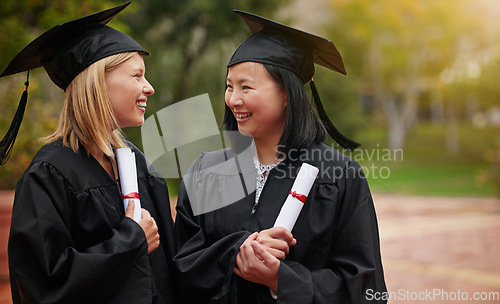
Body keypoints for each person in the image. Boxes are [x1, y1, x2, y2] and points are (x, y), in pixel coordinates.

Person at [173, 10, 387, 304]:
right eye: (229, 86)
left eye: (246, 87)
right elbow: (179, 264)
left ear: (286, 92)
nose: (233, 99)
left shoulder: (338, 176)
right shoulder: (207, 171)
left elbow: (365, 287)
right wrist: (236, 254)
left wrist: (282, 280)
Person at [1, 3, 177, 303]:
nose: (149, 88)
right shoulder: (49, 174)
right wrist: (130, 242)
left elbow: (173, 264)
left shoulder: (136, 165)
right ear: (97, 83)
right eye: (136, 76)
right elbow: (42, 287)